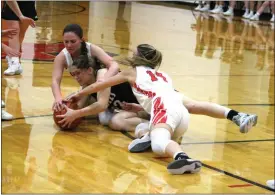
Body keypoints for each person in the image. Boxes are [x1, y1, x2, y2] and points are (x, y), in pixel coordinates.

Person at [67, 44, 202, 175]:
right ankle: (150, 132)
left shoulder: (102, 75)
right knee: (110, 120)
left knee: (114, 120)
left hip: (160, 104)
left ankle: (154, 131)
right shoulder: (85, 87)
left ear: (89, 70)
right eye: (73, 75)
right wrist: (64, 107)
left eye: (78, 73)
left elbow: (101, 105)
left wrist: (75, 113)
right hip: (150, 108)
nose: (76, 77)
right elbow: (74, 104)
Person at [51, 23, 119, 112]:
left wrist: (102, 80)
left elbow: (115, 65)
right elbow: (55, 80)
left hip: (108, 86)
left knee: (103, 117)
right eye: (66, 42)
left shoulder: (92, 49)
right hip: (89, 88)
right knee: (67, 106)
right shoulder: (61, 57)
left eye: (73, 41)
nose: (69, 45)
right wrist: (58, 98)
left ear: (81, 40)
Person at [1, 1, 37, 75]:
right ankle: (14, 62)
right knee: (14, 30)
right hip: (11, 3)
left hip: (28, 3)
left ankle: (13, 59)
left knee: (21, 33)